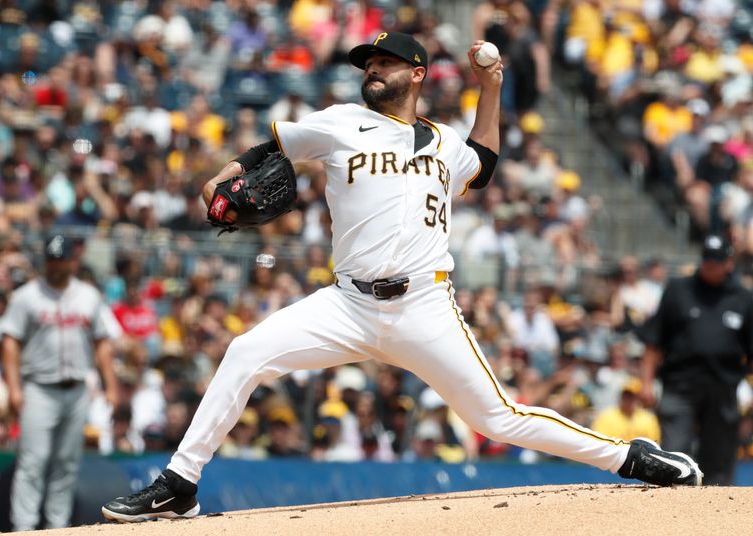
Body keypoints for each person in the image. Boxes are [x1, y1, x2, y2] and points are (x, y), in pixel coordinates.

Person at [102, 32, 702, 523]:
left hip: (425, 308)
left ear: (417, 74)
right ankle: (179, 482)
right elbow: (270, 148)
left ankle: (630, 457)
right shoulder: (340, 122)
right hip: (347, 305)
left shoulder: (443, 143)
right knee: (246, 351)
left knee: (496, 418)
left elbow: (484, 163)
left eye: (386, 62)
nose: (373, 70)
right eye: (369, 63)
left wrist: (490, 88)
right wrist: (221, 177)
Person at [1, 235, 118, 530]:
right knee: (33, 461)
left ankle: (57, 527)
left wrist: (111, 385)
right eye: (51, 260)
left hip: (77, 389)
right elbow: (10, 342)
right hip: (39, 387)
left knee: (66, 463)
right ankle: (24, 528)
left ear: (72, 260)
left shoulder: (88, 295)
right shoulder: (27, 296)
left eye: (61, 259)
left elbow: (102, 342)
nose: (55, 265)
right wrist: (14, 389)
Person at [638, 234, 753, 485]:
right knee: (674, 454)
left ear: (729, 263)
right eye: (707, 259)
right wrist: (646, 382)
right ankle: (670, 511)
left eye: (717, 260)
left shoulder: (743, 298)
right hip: (680, 385)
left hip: (723, 387)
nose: (711, 264)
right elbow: (654, 341)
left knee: (719, 460)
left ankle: (714, 518)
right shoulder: (678, 291)